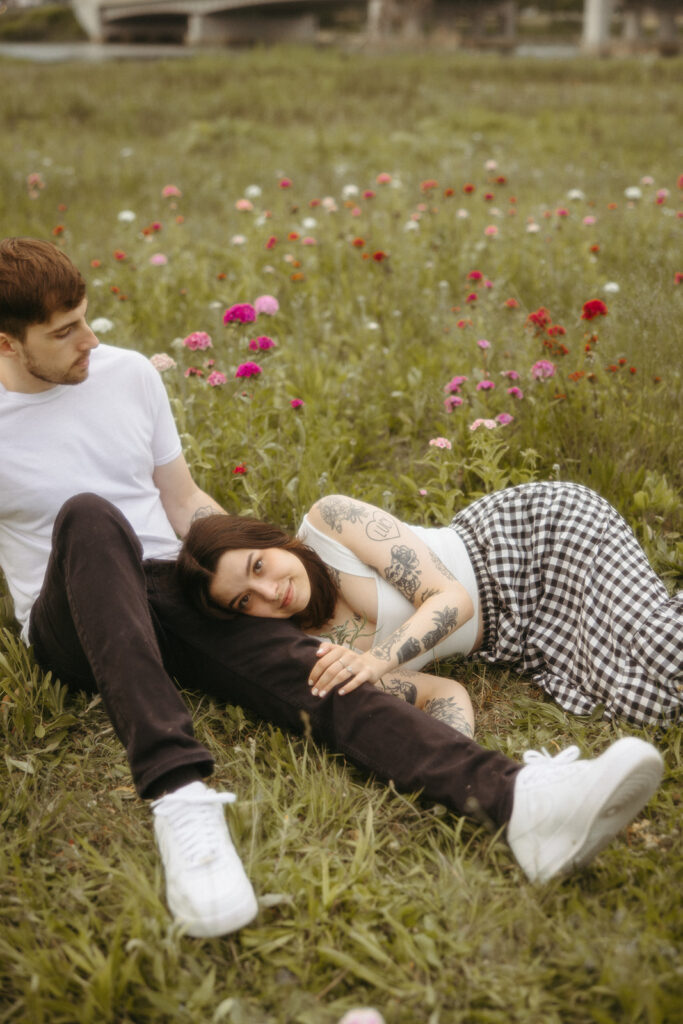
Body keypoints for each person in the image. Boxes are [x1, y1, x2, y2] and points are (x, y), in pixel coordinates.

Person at [0, 237, 667, 941]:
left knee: (324, 672)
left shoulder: (128, 375)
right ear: (8, 344)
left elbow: (181, 497)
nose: (90, 340)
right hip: (75, 619)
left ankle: (522, 803)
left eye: (85, 318)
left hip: (175, 594)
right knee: (91, 516)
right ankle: (180, 799)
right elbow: (93, 534)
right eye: (65, 331)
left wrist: (244, 559)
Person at [178, 491, 682, 729]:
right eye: (245, 600)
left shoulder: (330, 522)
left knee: (664, 649)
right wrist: (454, 750)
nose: (270, 591)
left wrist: (376, 661)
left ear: (269, 539)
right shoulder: (316, 655)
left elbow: (451, 598)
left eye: (259, 565)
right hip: (522, 632)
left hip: (531, 542)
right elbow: (442, 692)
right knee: (648, 704)